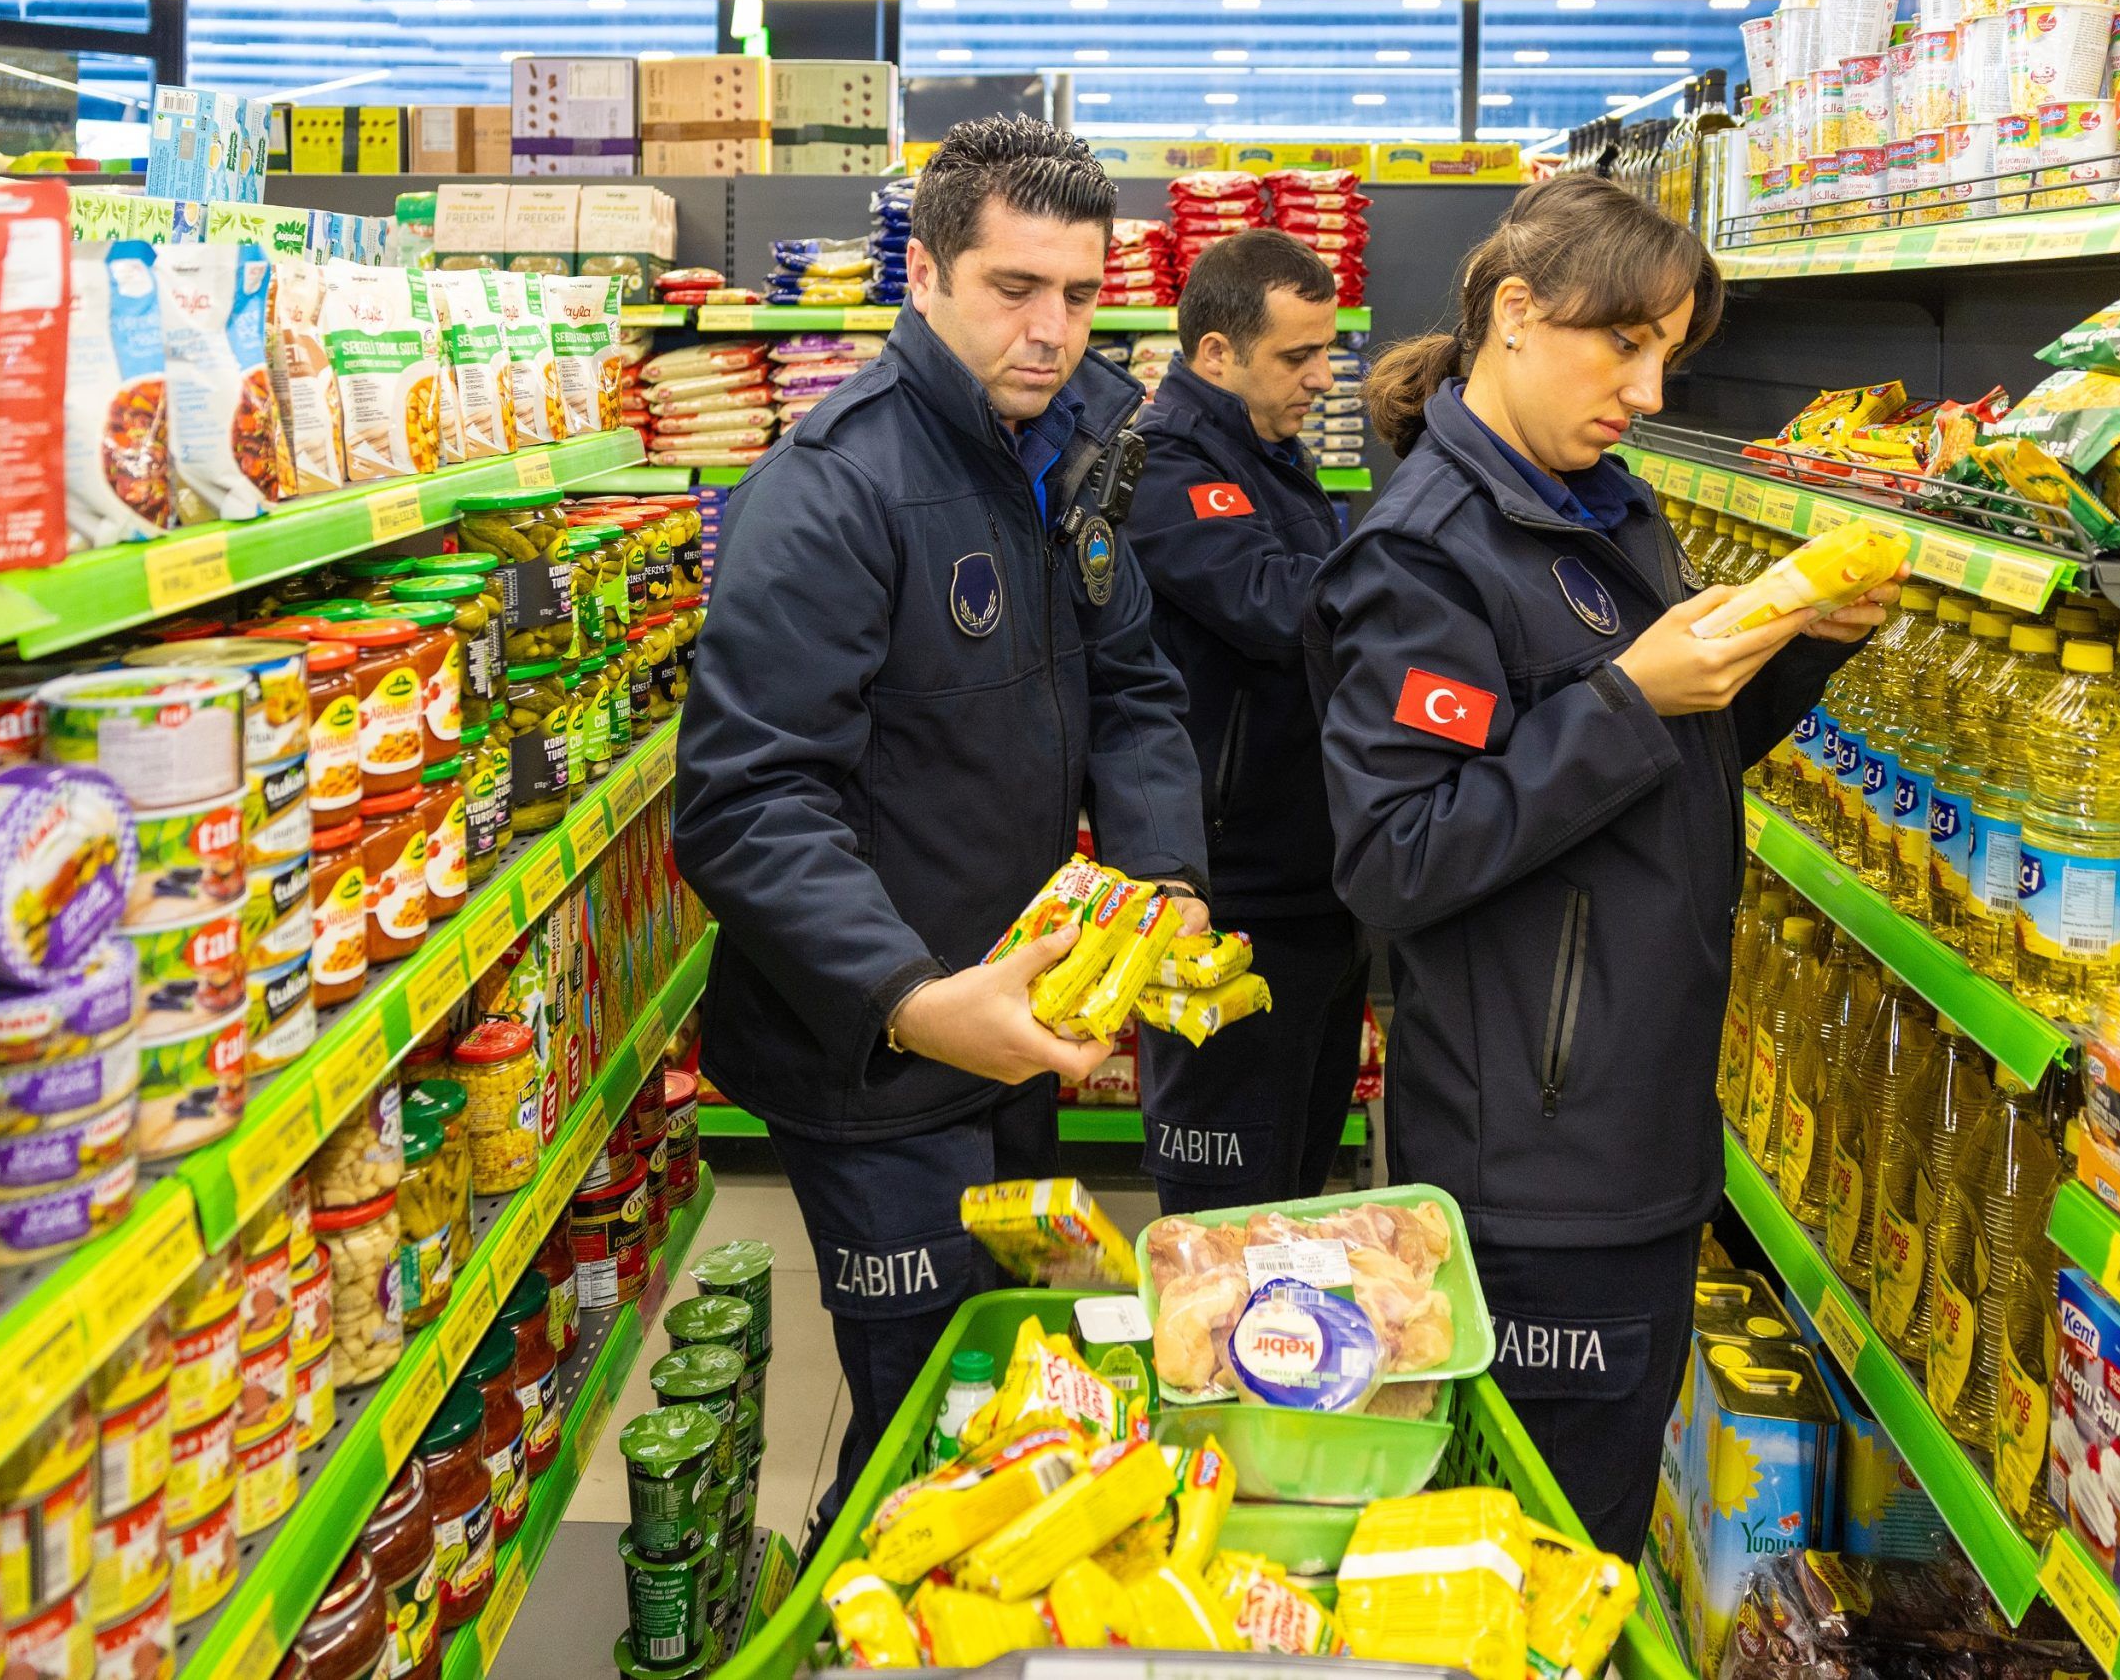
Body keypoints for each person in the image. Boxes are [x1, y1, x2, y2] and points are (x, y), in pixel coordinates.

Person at [1304, 172, 1899, 1562]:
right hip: (1536, 1159)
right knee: (1551, 1556)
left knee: (1591, 1526)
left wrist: (1800, 640)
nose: (1646, 386)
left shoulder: (1599, 502)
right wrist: (1629, 694)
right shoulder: (1422, 559)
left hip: (1635, 1119)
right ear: (1517, 314)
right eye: (1621, 344)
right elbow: (1398, 852)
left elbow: (1661, 770)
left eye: (1667, 355)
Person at [673, 115, 1210, 1535]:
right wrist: (912, 996)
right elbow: (745, 801)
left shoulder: (1081, 443)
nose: (1050, 330)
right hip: (872, 1044)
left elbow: (1137, 680)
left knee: (1007, 1396)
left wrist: (1165, 876)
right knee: (917, 1411)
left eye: (1080, 295)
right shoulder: (834, 487)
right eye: (1012, 289)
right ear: (924, 274)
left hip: (1014, 1016)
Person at [1125, 230, 1369, 1213]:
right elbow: (1283, 609)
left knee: (1297, 1182)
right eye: (1298, 356)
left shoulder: (1269, 451)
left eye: (1327, 350)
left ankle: (1278, 1361)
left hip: (1314, 885)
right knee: (1223, 1203)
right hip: (1231, 902)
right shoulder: (1168, 467)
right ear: (1215, 354)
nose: (1323, 376)